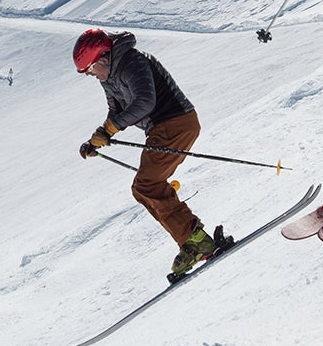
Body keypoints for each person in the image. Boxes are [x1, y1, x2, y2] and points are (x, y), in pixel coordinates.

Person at [74, 28, 223, 282]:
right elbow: (116, 110)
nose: (91, 75)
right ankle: (191, 242)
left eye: (90, 69)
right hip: (161, 129)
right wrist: (98, 138)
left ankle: (197, 241)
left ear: (103, 58)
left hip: (176, 122)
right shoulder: (108, 78)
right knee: (143, 188)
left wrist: (110, 129)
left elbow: (145, 102)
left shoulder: (133, 61)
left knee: (147, 184)